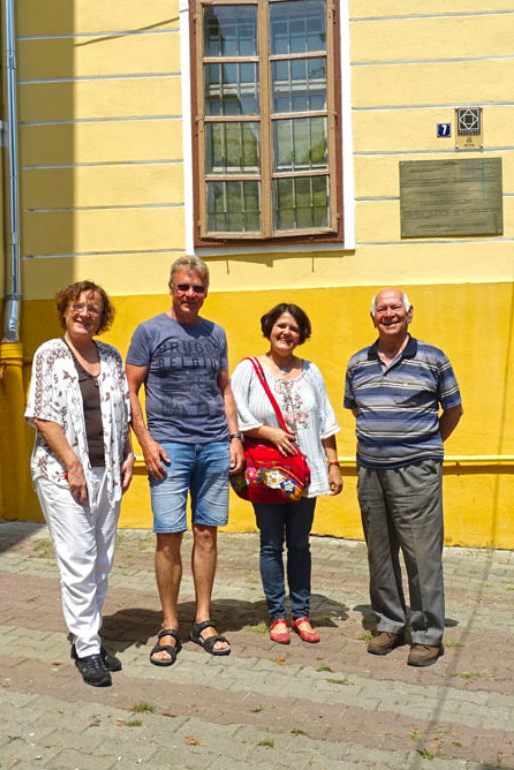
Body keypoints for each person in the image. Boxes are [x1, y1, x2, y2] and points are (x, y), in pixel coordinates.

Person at [125, 255, 244, 666]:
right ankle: (170, 625)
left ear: (205, 293)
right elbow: (130, 391)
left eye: (197, 288)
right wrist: (145, 441)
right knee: (169, 537)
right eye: (183, 287)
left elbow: (224, 389)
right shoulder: (149, 331)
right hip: (170, 448)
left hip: (213, 444)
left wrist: (234, 438)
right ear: (171, 288)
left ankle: (204, 620)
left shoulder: (216, 333)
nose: (190, 294)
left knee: (207, 533)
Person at [344, 288, 463, 667]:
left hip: (417, 472)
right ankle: (390, 623)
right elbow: (357, 411)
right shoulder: (357, 362)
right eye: (382, 308)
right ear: (373, 316)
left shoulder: (433, 358)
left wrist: (424, 447)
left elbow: (454, 410)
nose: (389, 313)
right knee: (380, 552)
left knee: (422, 554)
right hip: (371, 472)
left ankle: (427, 633)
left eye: (396, 307)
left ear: (410, 313)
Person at [25, 281, 134, 687]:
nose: (84, 312)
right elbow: (41, 415)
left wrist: (127, 455)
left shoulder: (111, 355)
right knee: (78, 558)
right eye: (77, 305)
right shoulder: (49, 353)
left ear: (102, 316)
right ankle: (87, 648)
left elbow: (122, 412)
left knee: (102, 559)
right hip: (60, 472)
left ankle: (88, 633)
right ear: (64, 310)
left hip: (107, 471)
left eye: (93, 307)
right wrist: (71, 463)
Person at [231, 303, 343, 644]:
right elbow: (234, 414)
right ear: (269, 329)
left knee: (300, 545)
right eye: (281, 326)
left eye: (293, 328)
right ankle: (278, 616)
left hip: (304, 472)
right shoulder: (249, 370)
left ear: (301, 334)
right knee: (270, 545)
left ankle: (302, 614)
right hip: (267, 473)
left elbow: (325, 418)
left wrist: (334, 463)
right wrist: (269, 433)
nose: (286, 333)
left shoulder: (311, 371)